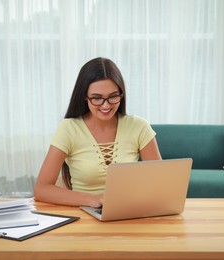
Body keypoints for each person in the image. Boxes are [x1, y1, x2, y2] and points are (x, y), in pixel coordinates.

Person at [34, 57, 162, 207]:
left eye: (113, 96)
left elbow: (159, 184)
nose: (106, 105)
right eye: (97, 98)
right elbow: (42, 189)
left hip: (129, 212)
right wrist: (92, 199)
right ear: (84, 96)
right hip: (84, 215)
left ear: (121, 94)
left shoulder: (139, 127)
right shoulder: (69, 128)